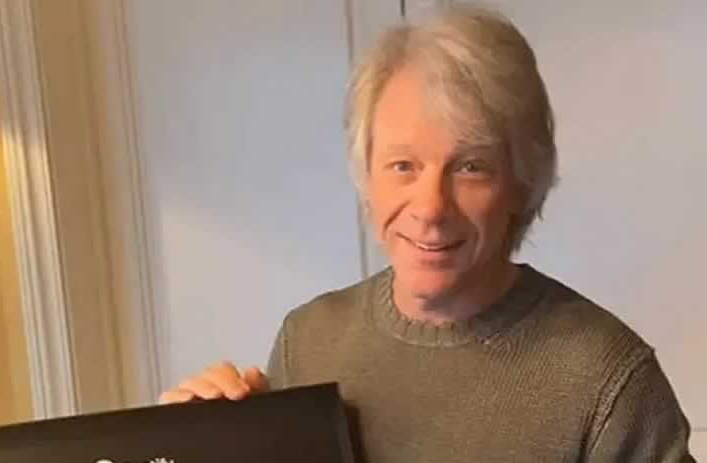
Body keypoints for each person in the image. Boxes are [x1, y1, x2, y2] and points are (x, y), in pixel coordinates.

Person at [159, 5, 696, 462]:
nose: (431, 208)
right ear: (366, 179)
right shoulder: (308, 341)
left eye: (470, 167)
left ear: (521, 183)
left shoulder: (607, 379)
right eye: (403, 166)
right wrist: (190, 442)